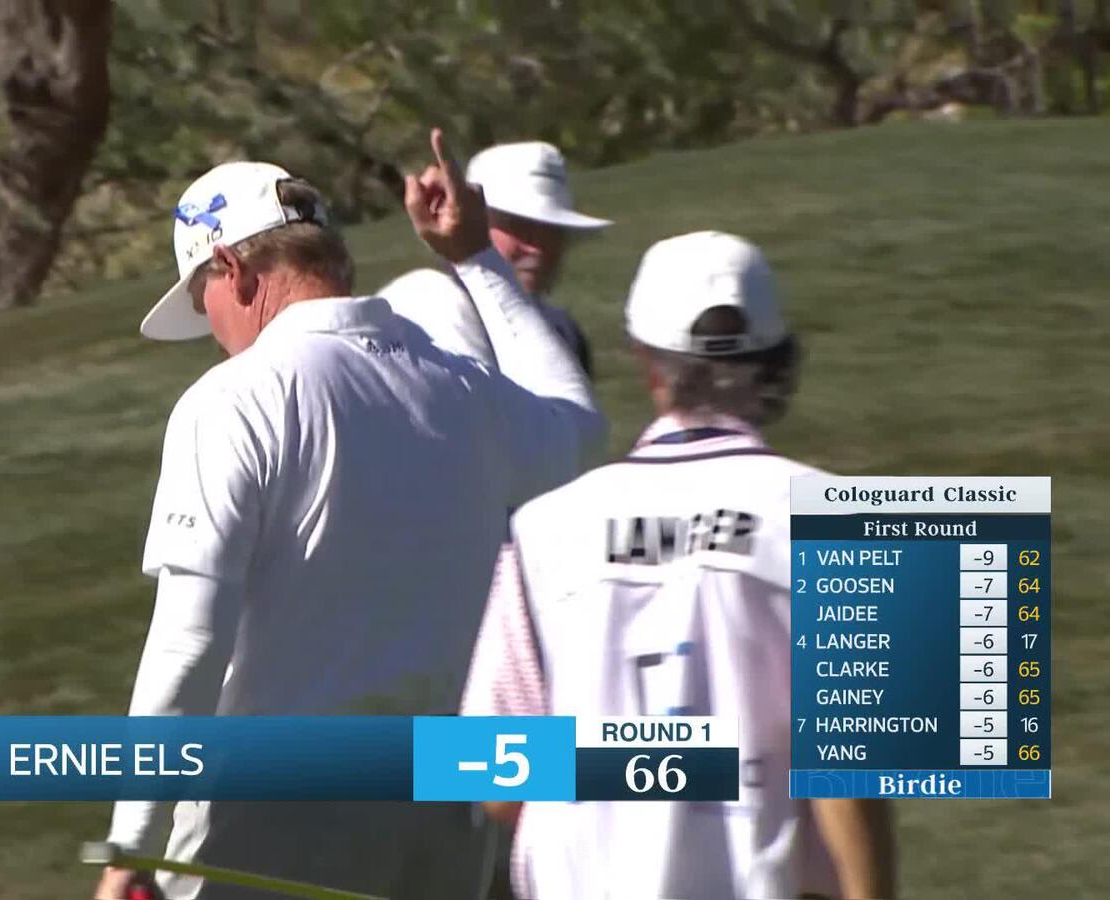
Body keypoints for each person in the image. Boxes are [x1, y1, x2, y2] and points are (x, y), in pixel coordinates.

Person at [93, 131, 608, 900]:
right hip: (439, 811)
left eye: (206, 307)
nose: (215, 337)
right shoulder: (462, 389)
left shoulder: (233, 401)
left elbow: (191, 639)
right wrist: (477, 259)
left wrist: (130, 843)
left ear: (232, 269)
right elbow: (578, 427)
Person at [460, 231, 898, 899]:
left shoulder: (542, 528)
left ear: (647, 363)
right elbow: (850, 781)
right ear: (775, 361)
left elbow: (493, 785)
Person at [380, 140, 611, 375]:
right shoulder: (421, 310)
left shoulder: (564, 335)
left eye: (552, 231)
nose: (537, 247)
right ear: (471, 221)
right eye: (517, 226)